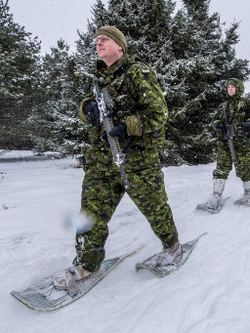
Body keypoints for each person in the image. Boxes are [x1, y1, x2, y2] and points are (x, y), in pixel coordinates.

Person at [54, 26, 181, 289]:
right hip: (102, 162)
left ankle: (172, 246)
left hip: (137, 161)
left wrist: (128, 127)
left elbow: (159, 113)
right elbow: (92, 111)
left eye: (104, 40)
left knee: (155, 209)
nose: (98, 43)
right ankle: (87, 264)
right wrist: (85, 108)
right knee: (89, 215)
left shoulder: (137, 72)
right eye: (96, 40)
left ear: (119, 46)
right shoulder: (98, 78)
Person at [200, 78, 250, 209]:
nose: (230, 89)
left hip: (241, 143)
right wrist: (218, 125)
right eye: (228, 87)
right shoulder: (223, 106)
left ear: (238, 88)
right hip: (224, 143)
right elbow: (214, 120)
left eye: (233, 87)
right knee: (221, 169)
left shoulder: (247, 103)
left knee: (243, 169)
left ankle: (249, 195)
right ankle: (216, 198)